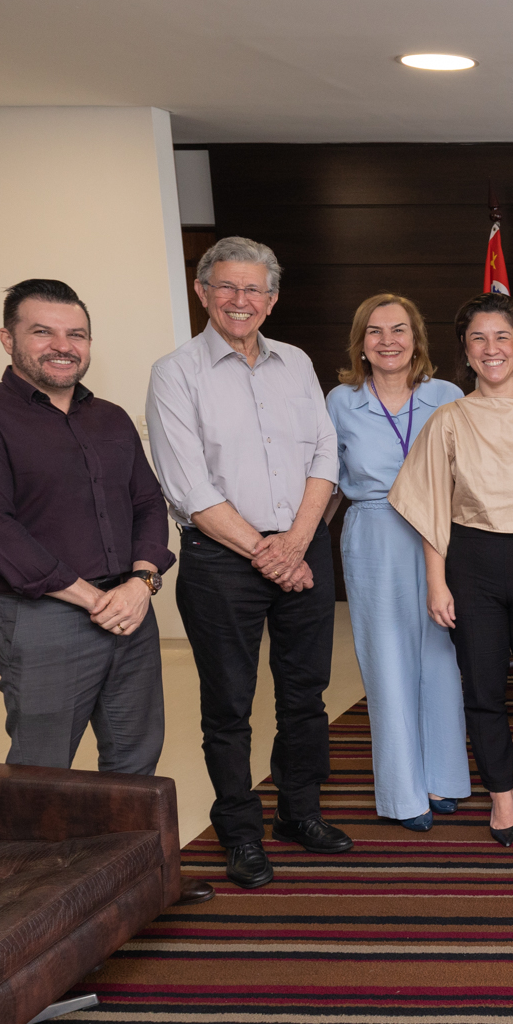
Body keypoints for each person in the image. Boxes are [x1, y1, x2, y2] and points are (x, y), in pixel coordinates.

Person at [0, 279, 209, 906]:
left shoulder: (109, 418)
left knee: (135, 759)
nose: (63, 346)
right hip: (44, 620)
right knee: (42, 770)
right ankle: (34, 904)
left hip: (130, 609)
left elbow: (148, 503)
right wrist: (94, 599)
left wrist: (140, 583)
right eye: (43, 331)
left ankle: (138, 886)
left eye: (76, 334)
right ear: (8, 339)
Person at [147, 236, 351, 892]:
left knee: (305, 696)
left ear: (273, 298)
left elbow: (326, 454)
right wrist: (271, 554)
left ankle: (299, 812)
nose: (242, 300)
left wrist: (296, 542)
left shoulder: (297, 363)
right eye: (228, 287)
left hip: (303, 545)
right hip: (221, 560)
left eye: (255, 289)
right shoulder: (175, 372)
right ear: (203, 292)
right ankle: (239, 833)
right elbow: (188, 485)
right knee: (229, 705)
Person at [388, 293, 513, 847]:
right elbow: (432, 505)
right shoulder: (449, 419)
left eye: (502, 336)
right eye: (478, 338)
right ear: (465, 349)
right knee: (481, 689)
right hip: (471, 563)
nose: (491, 348)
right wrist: (436, 582)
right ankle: (502, 795)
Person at [325, 293, 469, 833]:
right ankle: (403, 793)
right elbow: (325, 480)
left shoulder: (447, 396)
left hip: (440, 534)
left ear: (417, 339)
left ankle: (443, 778)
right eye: (375, 331)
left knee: (441, 656)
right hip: (375, 534)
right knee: (387, 663)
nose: (388, 341)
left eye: (399, 330)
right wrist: (302, 544)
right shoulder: (340, 401)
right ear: (361, 344)